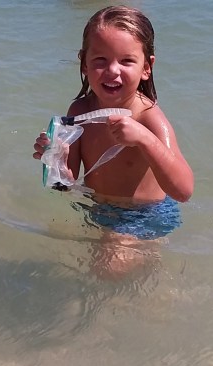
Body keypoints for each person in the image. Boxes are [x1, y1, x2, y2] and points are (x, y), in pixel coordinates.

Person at [33, 5, 194, 276]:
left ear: (146, 67)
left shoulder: (150, 119)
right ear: (84, 63)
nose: (112, 70)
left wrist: (144, 139)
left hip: (146, 215)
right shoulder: (79, 111)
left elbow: (184, 190)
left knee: (105, 268)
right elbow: (65, 183)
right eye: (100, 60)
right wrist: (54, 159)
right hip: (99, 210)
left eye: (126, 61)